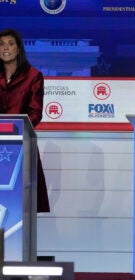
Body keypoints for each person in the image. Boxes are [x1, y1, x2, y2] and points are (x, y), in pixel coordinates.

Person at [0, 28, 50, 213]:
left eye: (10, 44)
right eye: (1, 44)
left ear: (18, 49)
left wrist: (15, 128)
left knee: (23, 204)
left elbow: (35, 112)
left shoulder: (33, 76)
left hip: (22, 144)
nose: (5, 48)